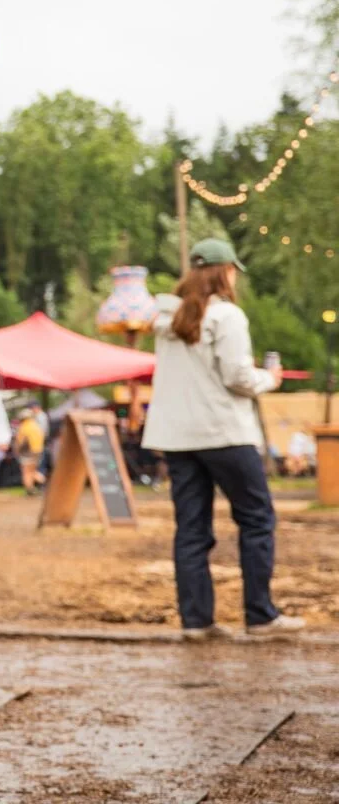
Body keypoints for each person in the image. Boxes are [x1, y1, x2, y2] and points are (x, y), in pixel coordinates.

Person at [142, 238, 305, 639]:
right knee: (256, 519)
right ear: (226, 271)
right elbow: (237, 377)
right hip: (225, 433)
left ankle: (196, 621)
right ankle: (260, 615)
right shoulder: (228, 317)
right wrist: (270, 379)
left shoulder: (167, 321)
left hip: (178, 437)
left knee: (192, 528)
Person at [13, 407, 46, 494]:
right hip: (38, 451)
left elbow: (20, 442)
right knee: (33, 470)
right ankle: (43, 483)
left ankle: (29, 489)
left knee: (26, 471)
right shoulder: (36, 426)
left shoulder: (24, 427)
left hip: (27, 452)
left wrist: (16, 450)